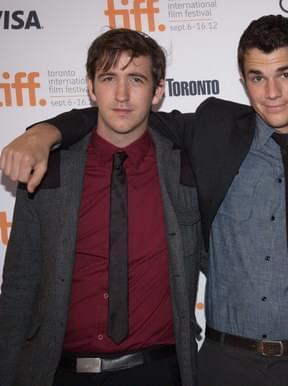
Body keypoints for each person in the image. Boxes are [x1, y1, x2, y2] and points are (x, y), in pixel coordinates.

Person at [0, 15, 288, 386]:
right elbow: (123, 116)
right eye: (257, 77)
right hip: (225, 362)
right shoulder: (213, 129)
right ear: (243, 82)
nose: (271, 92)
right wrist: (45, 132)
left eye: (285, 74)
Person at [0, 29, 201, 386]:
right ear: (91, 88)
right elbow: (19, 285)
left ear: (157, 91)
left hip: (157, 371)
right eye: (109, 78)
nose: (122, 95)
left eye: (136, 79)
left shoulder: (185, 168)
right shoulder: (50, 169)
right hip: (61, 372)